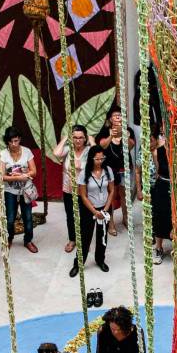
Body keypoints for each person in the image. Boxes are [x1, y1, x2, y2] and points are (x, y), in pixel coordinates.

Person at [71, 145, 115, 276]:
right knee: (85, 237)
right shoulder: (85, 173)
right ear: (91, 159)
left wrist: (105, 209)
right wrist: (95, 212)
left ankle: (100, 260)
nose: (100, 161)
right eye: (97, 159)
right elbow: (83, 195)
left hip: (105, 208)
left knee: (103, 236)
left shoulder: (108, 170)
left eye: (102, 158)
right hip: (89, 209)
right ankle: (78, 263)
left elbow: (112, 190)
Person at [96, 107, 137, 235]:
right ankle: (111, 223)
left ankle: (125, 218)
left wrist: (123, 134)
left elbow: (131, 146)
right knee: (110, 197)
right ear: (110, 119)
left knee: (125, 195)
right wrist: (111, 136)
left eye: (120, 114)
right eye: (115, 115)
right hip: (109, 169)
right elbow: (101, 146)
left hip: (124, 169)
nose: (118, 116)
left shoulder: (128, 130)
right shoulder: (104, 131)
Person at [0, 126, 39, 251]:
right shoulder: (3, 154)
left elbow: (34, 172)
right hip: (10, 191)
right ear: (7, 142)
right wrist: (17, 178)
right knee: (10, 218)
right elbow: (1, 176)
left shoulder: (26, 151)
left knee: (27, 217)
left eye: (16, 141)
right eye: (11, 141)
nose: (14, 144)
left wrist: (23, 176)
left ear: (19, 139)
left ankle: (28, 240)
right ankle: (9, 238)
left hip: (25, 190)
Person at [54, 126, 92, 254]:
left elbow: (99, 153)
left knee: (85, 216)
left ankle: (84, 240)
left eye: (81, 137)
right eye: (75, 137)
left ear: (85, 138)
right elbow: (56, 153)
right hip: (68, 189)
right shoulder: (68, 150)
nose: (78, 140)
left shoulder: (88, 151)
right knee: (70, 215)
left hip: (84, 190)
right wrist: (65, 138)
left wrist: (92, 141)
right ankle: (72, 239)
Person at [147, 124, 173, 262]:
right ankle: (158, 247)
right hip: (162, 184)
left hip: (176, 186)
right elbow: (158, 171)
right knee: (159, 215)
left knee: (174, 215)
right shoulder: (157, 151)